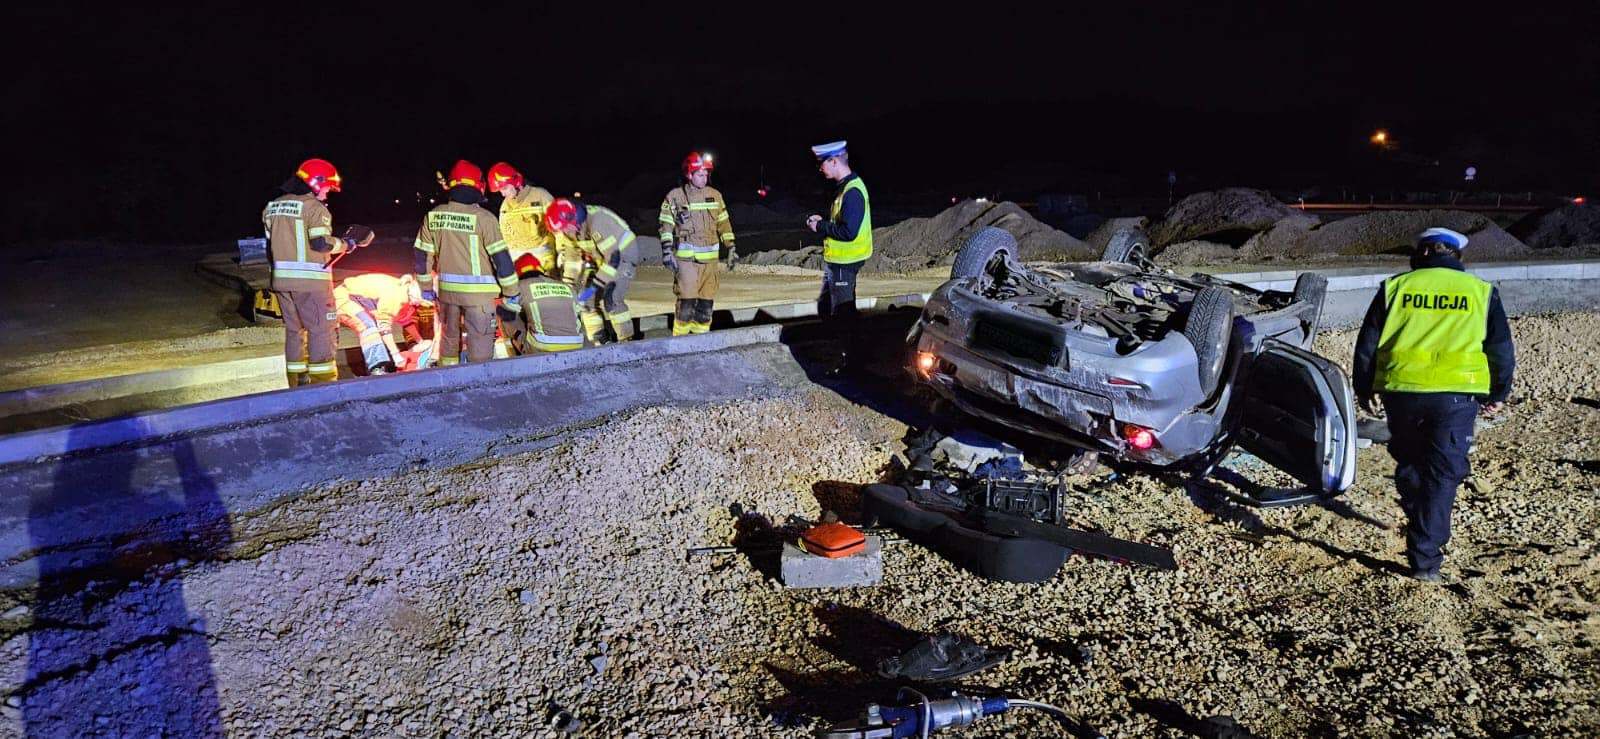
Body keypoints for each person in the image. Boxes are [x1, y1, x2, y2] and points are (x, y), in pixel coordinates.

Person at [1353, 227, 1515, 582]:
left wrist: (1363, 385)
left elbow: (1368, 342)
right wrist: (1498, 394)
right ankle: (1425, 561)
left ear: (1422, 254)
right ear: (1456, 257)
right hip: (1456, 397)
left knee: (1411, 462)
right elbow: (1500, 350)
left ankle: (1419, 515)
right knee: (1442, 476)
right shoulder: (1481, 293)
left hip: (1402, 393)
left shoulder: (1396, 288)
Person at [262, 158, 373, 386]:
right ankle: (324, 387)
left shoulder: (272, 207)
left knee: (294, 332)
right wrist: (346, 244)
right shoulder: (314, 208)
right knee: (321, 331)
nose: (327, 193)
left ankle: (297, 382)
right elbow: (320, 243)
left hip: (282, 282)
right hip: (311, 284)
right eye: (327, 188)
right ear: (316, 182)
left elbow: (270, 246)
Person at [413, 160, 518, 365]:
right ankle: (478, 387)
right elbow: (502, 260)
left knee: (449, 341)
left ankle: (450, 384)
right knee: (480, 347)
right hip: (479, 298)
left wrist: (426, 287)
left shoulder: (433, 216)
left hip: (447, 295)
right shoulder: (484, 218)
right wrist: (512, 292)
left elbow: (421, 256)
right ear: (478, 186)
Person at [806, 140, 872, 368]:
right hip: (838, 262)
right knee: (831, 310)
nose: (820, 168)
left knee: (843, 316)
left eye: (822, 163)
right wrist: (823, 223)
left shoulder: (852, 191)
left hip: (845, 262)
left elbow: (849, 232)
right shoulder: (845, 187)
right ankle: (848, 354)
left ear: (834, 161)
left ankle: (852, 364)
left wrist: (821, 227)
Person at [658, 151, 736, 335]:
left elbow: (724, 223)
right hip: (687, 262)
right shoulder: (676, 196)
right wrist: (667, 251)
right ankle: (680, 342)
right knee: (686, 302)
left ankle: (701, 341)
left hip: (710, 263)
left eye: (706, 174)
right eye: (700, 175)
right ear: (688, 174)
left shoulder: (715, 196)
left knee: (705, 304)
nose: (704, 178)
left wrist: (731, 247)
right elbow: (666, 225)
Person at [543, 197, 641, 343]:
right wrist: (569, 289)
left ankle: (627, 342)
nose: (563, 232)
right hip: (600, 258)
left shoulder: (597, 221)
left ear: (572, 218)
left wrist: (595, 285)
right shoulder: (569, 230)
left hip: (623, 255)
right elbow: (573, 262)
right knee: (584, 301)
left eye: (563, 228)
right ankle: (600, 342)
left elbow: (613, 259)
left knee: (612, 298)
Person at [333, 273, 434, 374]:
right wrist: (396, 355)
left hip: (359, 300)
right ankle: (376, 369)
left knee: (371, 326)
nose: (418, 304)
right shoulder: (396, 295)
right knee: (368, 327)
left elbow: (405, 321)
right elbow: (384, 328)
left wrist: (420, 341)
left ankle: (378, 366)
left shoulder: (406, 295)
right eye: (420, 301)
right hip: (344, 297)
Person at [509, 253, 585, 353]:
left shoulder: (520, 286)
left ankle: (521, 358)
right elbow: (579, 314)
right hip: (577, 343)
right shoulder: (566, 287)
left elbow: (507, 314)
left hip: (543, 345)